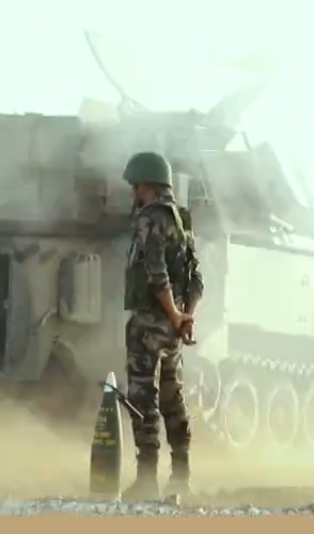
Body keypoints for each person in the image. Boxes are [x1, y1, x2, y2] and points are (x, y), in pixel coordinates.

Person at [119, 151, 204, 500]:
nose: (134, 192)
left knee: (143, 397)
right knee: (173, 399)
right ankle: (181, 478)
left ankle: (146, 480)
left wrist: (171, 313)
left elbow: (156, 274)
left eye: (136, 186)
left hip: (150, 323)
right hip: (173, 328)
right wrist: (185, 317)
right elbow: (196, 279)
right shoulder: (182, 219)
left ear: (147, 185)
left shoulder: (151, 218)